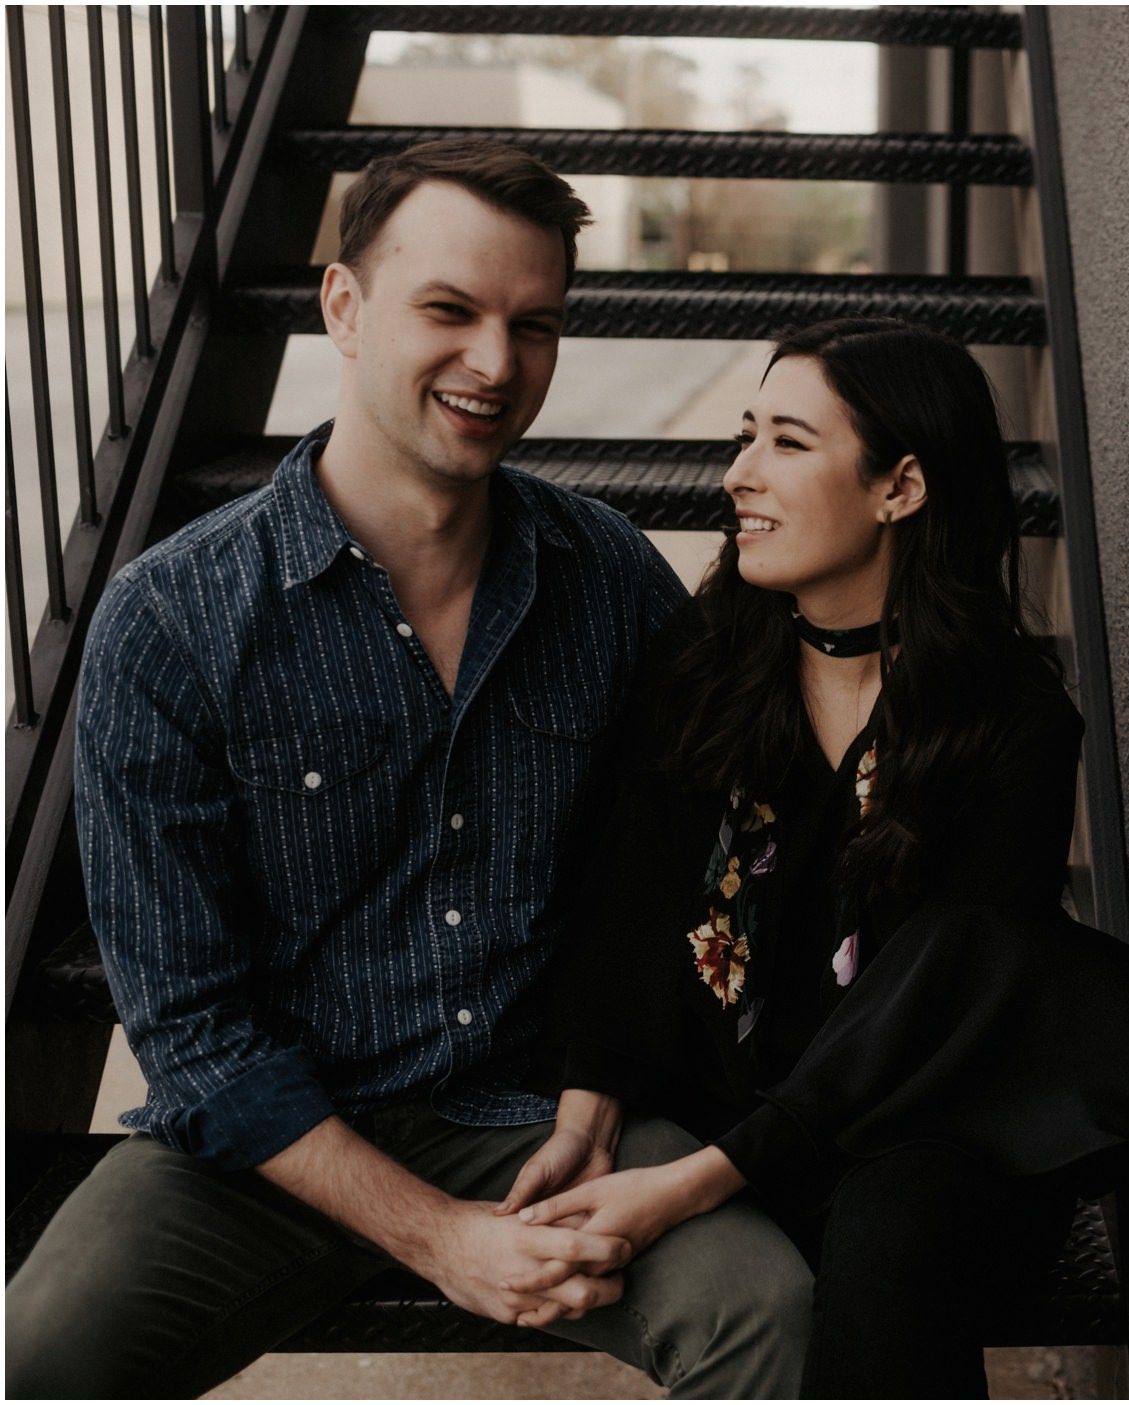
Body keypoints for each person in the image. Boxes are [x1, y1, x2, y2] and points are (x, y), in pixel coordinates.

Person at [4, 139, 812, 1398]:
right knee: (35, 1355)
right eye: (449, 310)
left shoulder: (609, 580)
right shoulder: (170, 620)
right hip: (265, 1150)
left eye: (534, 325)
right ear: (344, 305)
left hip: (543, 1126)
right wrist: (442, 1240)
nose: (496, 362)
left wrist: (600, 1089)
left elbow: (692, 856)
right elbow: (192, 1033)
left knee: (767, 1306)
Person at [492, 319, 1129, 1398]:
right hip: (733, 1101)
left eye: (788, 442)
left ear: (900, 487)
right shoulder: (706, 668)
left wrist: (693, 1183)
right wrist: (590, 1111)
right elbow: (629, 900)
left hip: (933, 1123)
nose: (739, 474)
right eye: (745, 436)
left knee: (890, 1227)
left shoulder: (1010, 721)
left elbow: (933, 998)